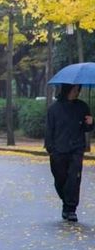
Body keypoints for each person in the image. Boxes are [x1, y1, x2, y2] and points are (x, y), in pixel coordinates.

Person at [45, 83, 94, 222]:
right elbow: (49, 129)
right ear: (66, 90)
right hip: (58, 150)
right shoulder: (54, 109)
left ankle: (71, 209)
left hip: (76, 149)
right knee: (60, 180)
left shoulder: (82, 106)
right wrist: (50, 148)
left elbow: (86, 128)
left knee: (74, 178)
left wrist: (90, 123)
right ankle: (66, 201)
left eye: (78, 90)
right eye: (74, 90)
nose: (76, 93)